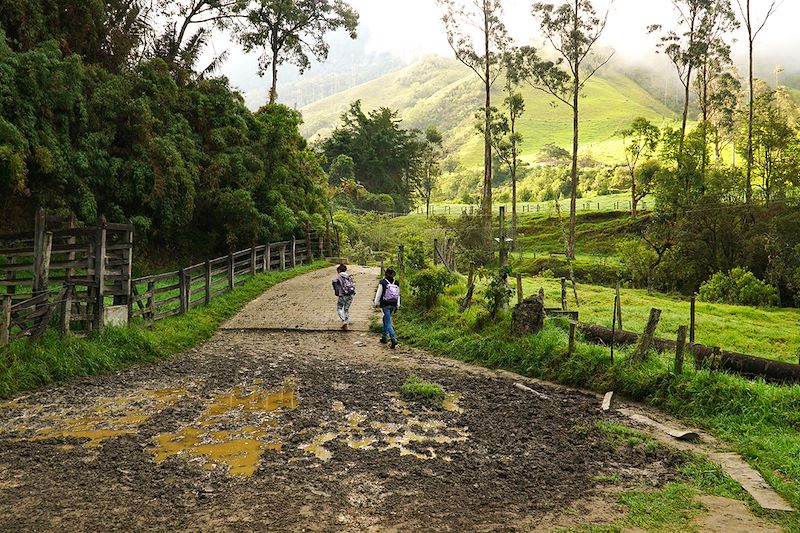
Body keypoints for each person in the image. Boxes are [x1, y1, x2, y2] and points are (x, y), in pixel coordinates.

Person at [374, 268, 400, 348]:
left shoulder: (383, 282)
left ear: (386, 274)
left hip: (385, 304)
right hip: (393, 304)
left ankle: (393, 338)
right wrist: (398, 305)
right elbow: (398, 295)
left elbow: (379, 293)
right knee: (386, 319)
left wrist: (376, 303)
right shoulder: (396, 282)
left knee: (388, 321)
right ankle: (384, 337)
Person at [332, 263, 356, 329]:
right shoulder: (349, 276)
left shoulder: (339, 276)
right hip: (350, 294)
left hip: (343, 295)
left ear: (339, 270)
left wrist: (336, 290)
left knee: (339, 308)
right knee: (346, 309)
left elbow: (334, 281)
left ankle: (343, 321)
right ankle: (346, 320)